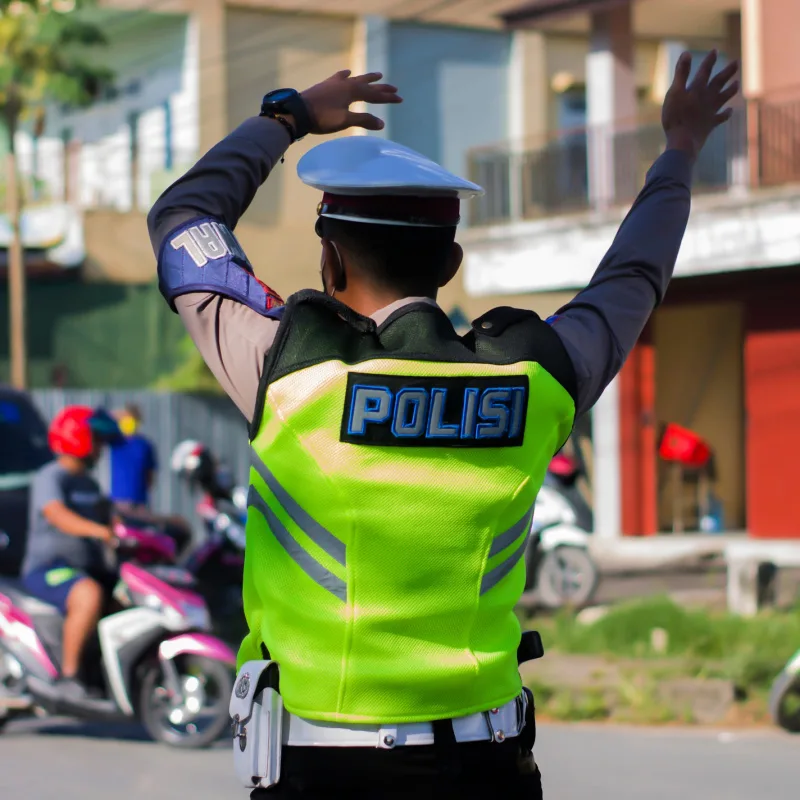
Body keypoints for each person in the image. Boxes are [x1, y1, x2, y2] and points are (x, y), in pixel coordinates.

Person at [148, 52, 738, 798]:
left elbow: (184, 219)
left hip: (327, 771)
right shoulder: (537, 376)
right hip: (488, 766)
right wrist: (680, 148)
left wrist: (287, 117)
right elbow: (634, 276)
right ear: (451, 262)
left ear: (330, 262)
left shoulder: (287, 370)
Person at [20, 406, 119, 701]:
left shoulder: (88, 483)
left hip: (86, 568)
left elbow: (114, 517)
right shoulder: (51, 477)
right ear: (79, 438)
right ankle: (69, 676)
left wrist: (156, 526)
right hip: (49, 570)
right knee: (88, 593)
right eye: (97, 439)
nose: (101, 448)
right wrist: (97, 531)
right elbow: (56, 514)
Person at [109, 403, 158, 513]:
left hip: (139, 501)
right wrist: (120, 414)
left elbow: (150, 477)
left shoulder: (145, 445)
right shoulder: (117, 441)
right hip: (118, 501)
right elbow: (105, 419)